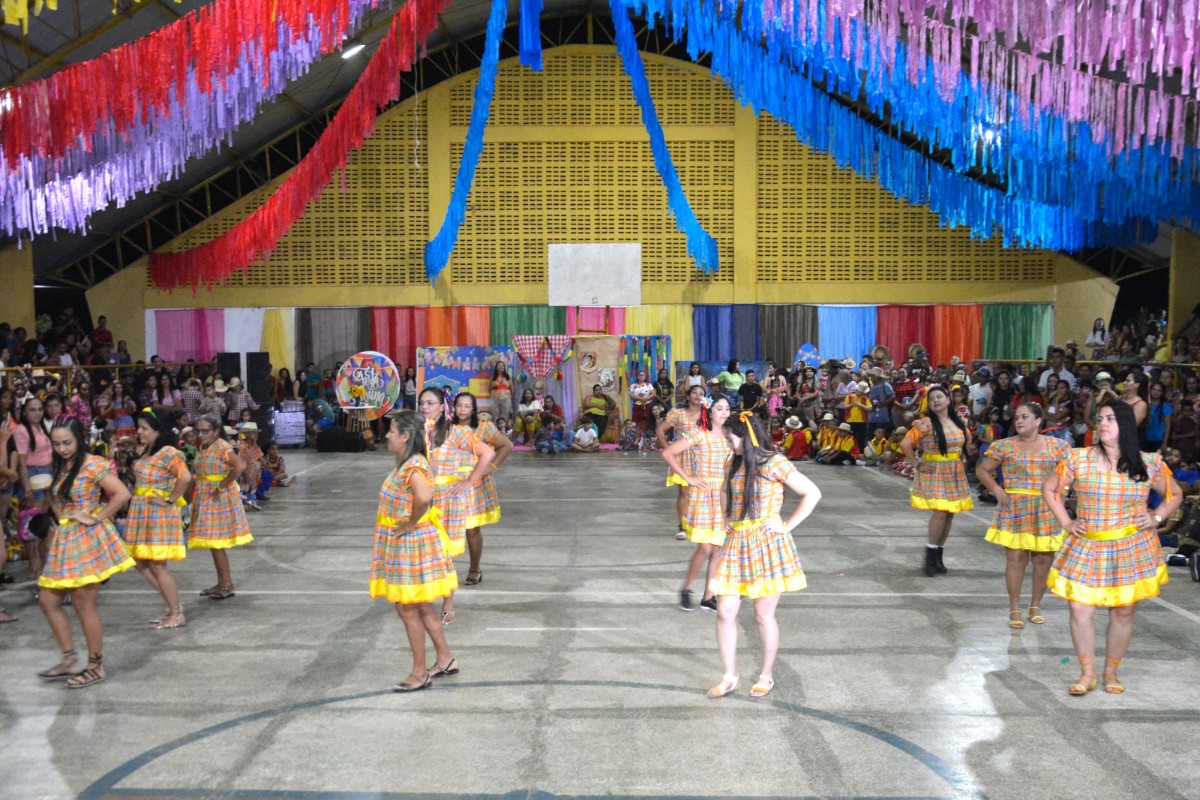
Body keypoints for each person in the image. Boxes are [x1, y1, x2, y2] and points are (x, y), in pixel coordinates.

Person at [1042, 400, 1183, 695]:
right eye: (1100, 418)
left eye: (1110, 419)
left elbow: (1175, 494)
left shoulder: (1148, 462)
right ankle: (1087, 673)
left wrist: (1156, 517)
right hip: (1088, 545)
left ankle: (1111, 672)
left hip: (1131, 547)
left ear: (1126, 426)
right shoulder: (1078, 458)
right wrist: (1067, 523)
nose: (1102, 423)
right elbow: (1052, 489)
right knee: (1080, 608)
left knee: (1123, 613)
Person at [706, 413, 821, 699]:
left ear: (745, 435)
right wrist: (725, 517)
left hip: (767, 545)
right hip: (736, 544)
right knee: (724, 612)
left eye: (730, 437)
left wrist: (785, 525)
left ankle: (765, 676)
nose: (726, 442)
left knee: (762, 614)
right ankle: (730, 676)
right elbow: (724, 491)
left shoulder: (774, 462)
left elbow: (812, 493)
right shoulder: (733, 462)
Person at [37, 417, 134, 688]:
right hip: (65, 540)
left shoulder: (93, 464)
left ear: (79, 439)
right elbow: (57, 502)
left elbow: (122, 494)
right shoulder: (59, 465)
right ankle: (69, 659)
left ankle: (95, 666)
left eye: (67, 442)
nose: (62, 449)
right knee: (47, 600)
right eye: (56, 444)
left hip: (87, 540)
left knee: (83, 605)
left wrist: (95, 516)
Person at [370, 409, 459, 693]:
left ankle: (420, 672)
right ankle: (446, 659)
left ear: (405, 436)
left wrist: (409, 523)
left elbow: (423, 498)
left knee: (407, 607)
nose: (387, 435)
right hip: (408, 542)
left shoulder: (414, 466)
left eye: (391, 431)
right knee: (421, 605)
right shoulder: (407, 462)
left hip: (412, 545)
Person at [975, 403, 1070, 629]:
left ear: (1038, 421)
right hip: (1015, 508)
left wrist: (1063, 494)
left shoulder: (1058, 446)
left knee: (1043, 559)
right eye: (1016, 417)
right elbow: (982, 469)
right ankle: (1014, 607)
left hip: (1046, 508)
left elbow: (1068, 474)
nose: (1019, 421)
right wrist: (996, 489)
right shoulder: (1004, 446)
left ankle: (1035, 605)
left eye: (1025, 417)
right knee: (1016, 559)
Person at [418, 388, 495, 625]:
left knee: (444, 553)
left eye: (431, 403)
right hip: (424, 497)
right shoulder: (419, 432)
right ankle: (425, 596)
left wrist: (470, 480)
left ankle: (447, 604)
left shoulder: (456, 432)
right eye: (422, 403)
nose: (425, 407)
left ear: (443, 407)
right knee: (426, 550)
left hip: (447, 500)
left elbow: (489, 453)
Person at [662, 396, 732, 612]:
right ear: (709, 411)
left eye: (727, 408)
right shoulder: (699, 433)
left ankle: (708, 596)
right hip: (701, 496)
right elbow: (668, 452)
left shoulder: (731, 437)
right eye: (719, 408)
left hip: (720, 494)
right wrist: (688, 477)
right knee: (705, 547)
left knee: (718, 549)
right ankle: (686, 588)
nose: (724, 412)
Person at [125, 410, 192, 630]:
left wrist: (170, 500)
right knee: (140, 562)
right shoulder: (147, 451)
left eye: (144, 428)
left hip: (157, 514)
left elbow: (185, 477)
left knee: (157, 565)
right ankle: (171, 605)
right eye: (139, 427)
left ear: (157, 430)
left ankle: (176, 612)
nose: (139, 432)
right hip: (141, 512)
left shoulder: (167, 452)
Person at [900, 385, 974, 576]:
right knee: (941, 512)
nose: (936, 401)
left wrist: (962, 459)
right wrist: (917, 464)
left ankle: (938, 556)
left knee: (949, 513)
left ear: (948, 399)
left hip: (954, 471)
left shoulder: (960, 422)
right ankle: (930, 557)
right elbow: (905, 444)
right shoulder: (925, 424)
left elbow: (967, 443)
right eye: (932, 399)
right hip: (935, 472)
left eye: (939, 397)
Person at [188, 413, 253, 600]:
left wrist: (221, 485)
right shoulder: (204, 447)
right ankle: (222, 583)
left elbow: (239, 466)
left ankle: (226, 585)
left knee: (216, 544)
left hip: (217, 499)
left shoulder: (222, 447)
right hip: (206, 497)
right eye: (198, 430)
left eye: (205, 430)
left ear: (215, 431)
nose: (200, 434)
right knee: (213, 544)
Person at [453, 393, 512, 586]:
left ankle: (474, 569)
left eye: (467, 406)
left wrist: (491, 467)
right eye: (459, 405)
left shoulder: (483, 427)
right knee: (445, 529)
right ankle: (442, 570)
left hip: (475, 485)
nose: (462, 409)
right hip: (450, 484)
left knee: (471, 529)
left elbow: (506, 445)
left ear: (473, 409)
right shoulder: (447, 429)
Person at [656, 386, 707, 539]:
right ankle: (683, 526)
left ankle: (699, 523)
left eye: (701, 394)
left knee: (702, 491)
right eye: (694, 392)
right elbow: (660, 430)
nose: (698, 395)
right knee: (684, 492)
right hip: (683, 458)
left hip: (703, 457)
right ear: (688, 395)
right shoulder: (678, 413)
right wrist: (669, 449)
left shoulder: (708, 415)